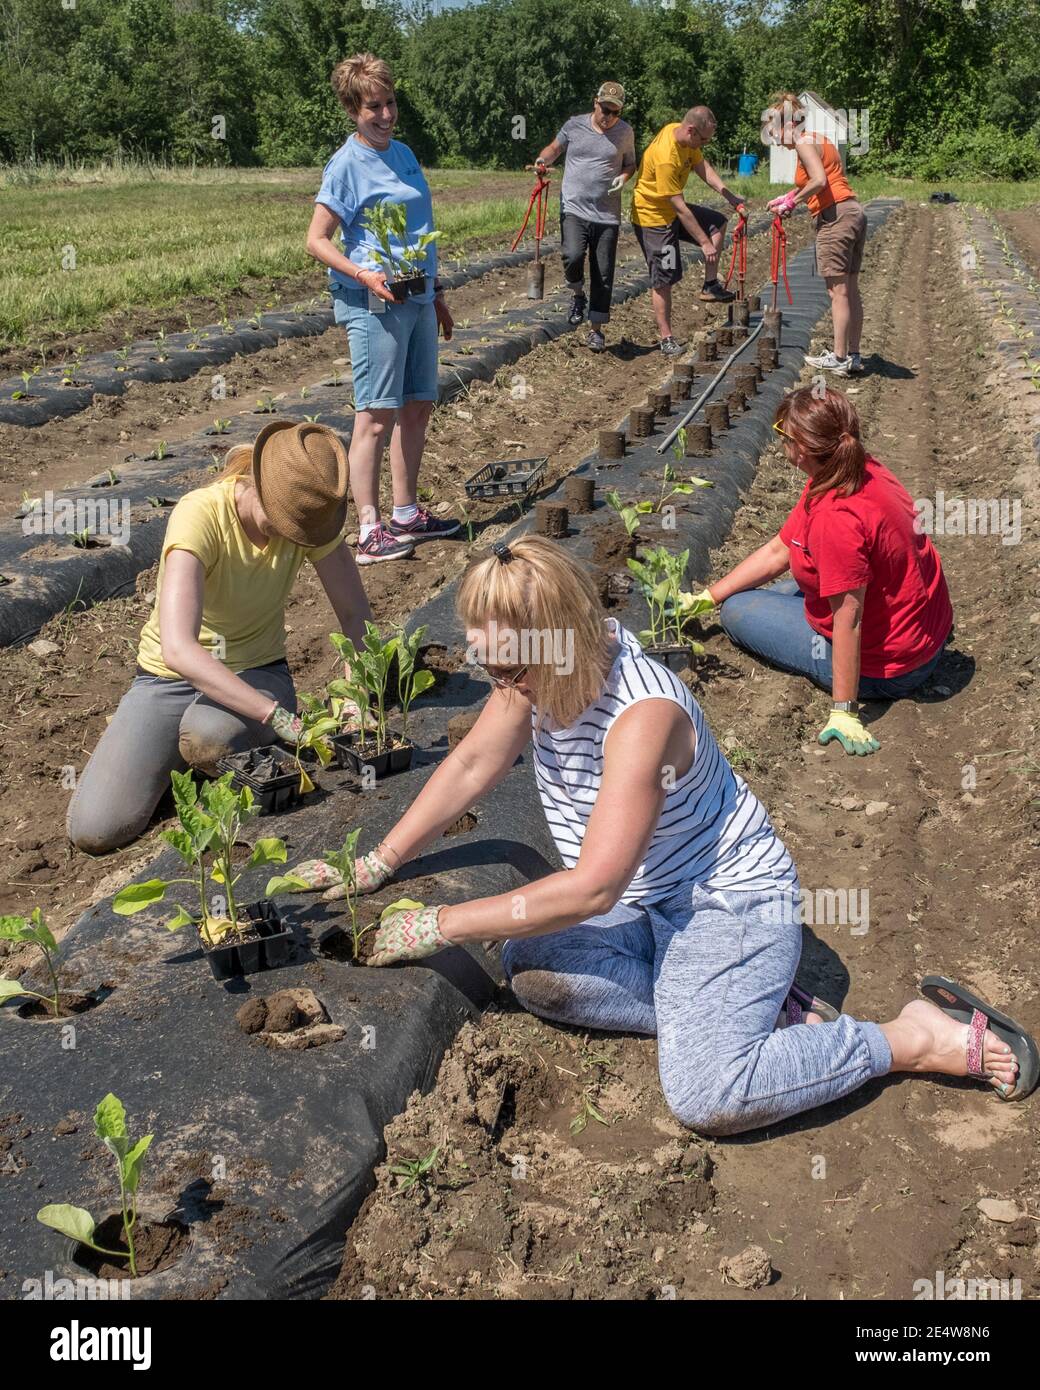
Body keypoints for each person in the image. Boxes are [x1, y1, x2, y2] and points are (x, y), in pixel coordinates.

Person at [290, 537, 1034, 1131]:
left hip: (729, 906)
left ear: (562, 644)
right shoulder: (536, 674)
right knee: (533, 967)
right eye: (490, 667)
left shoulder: (642, 717)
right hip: (648, 904)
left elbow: (593, 886)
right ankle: (749, 1009)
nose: (501, 688)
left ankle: (908, 1038)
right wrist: (378, 863)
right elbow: (476, 762)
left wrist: (440, 923)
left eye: (510, 670)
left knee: (708, 1092)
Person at [66, 422, 372, 855]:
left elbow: (355, 613)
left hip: (256, 672)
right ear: (261, 486)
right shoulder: (201, 515)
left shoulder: (309, 523)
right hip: (167, 679)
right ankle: (191, 755)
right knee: (97, 828)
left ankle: (207, 751)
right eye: (286, 522)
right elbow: (179, 649)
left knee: (209, 734)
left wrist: (356, 695)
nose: (293, 536)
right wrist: (278, 719)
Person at [689, 387, 953, 757]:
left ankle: (850, 690)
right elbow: (781, 549)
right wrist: (708, 596)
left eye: (782, 434)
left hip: (893, 666)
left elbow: (849, 617)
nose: (778, 441)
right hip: (924, 630)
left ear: (801, 449)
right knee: (754, 592)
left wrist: (844, 709)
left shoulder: (836, 517)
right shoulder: (857, 467)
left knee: (737, 611)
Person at [305, 52, 460, 564]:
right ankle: (369, 530)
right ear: (353, 109)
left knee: (417, 404)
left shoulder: (405, 154)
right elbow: (317, 240)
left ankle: (406, 511)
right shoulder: (347, 164)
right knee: (375, 415)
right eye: (374, 107)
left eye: (390, 103)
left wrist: (436, 294)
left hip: (416, 294)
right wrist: (362, 272)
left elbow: (421, 229)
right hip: (374, 300)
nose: (386, 114)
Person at [764, 92, 867, 376]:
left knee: (838, 292)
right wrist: (786, 196)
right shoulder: (819, 140)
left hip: (836, 218)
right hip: (853, 211)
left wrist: (792, 203)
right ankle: (853, 355)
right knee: (850, 290)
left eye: (774, 130)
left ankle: (839, 357)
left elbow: (820, 181)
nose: (774, 138)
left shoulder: (803, 142)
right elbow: (823, 178)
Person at [630, 105, 746, 356]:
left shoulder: (684, 138)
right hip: (655, 219)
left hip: (671, 211)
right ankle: (666, 338)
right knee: (665, 277)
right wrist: (704, 243)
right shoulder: (666, 157)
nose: (704, 144)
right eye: (703, 139)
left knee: (717, 222)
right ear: (691, 131)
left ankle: (710, 285)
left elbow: (703, 168)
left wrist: (730, 196)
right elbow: (680, 208)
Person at [532, 80, 636, 353]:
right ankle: (578, 294)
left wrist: (624, 178)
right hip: (574, 206)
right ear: (595, 103)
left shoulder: (625, 133)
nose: (608, 117)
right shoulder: (574, 125)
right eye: (604, 109)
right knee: (573, 255)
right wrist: (543, 161)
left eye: (614, 112)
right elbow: (554, 149)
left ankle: (596, 330)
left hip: (607, 214)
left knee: (603, 273)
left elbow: (630, 163)